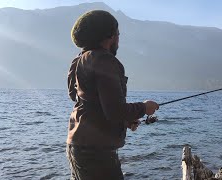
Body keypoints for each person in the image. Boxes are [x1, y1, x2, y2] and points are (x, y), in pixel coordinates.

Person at [66, 10, 159, 180]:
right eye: (117, 34)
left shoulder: (79, 60)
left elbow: (84, 101)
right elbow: (114, 110)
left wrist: (124, 121)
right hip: (97, 153)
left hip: (77, 146)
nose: (118, 39)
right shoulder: (105, 60)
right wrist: (145, 107)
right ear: (109, 36)